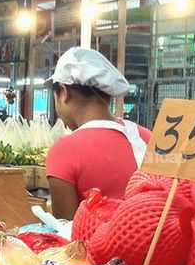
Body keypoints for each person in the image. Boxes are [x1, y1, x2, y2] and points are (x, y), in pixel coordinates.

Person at [45, 47, 150, 220]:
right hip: (154, 246)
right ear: (107, 95)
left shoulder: (63, 151)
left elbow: (66, 236)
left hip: (93, 247)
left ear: (64, 93)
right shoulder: (147, 137)